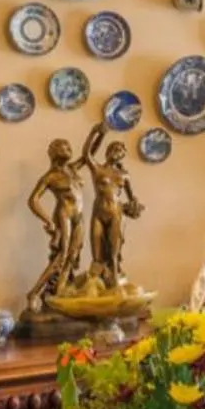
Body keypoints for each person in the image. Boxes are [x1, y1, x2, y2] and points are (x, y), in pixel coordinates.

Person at [24, 138, 85, 311]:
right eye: (63, 146)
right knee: (62, 256)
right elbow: (33, 200)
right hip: (64, 215)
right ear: (53, 152)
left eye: (69, 146)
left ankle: (60, 293)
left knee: (73, 256)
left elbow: (89, 153)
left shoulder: (73, 169)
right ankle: (34, 293)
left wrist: (99, 132)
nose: (68, 148)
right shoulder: (50, 177)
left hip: (79, 217)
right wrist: (48, 220)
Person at [82, 122, 143, 288]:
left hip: (116, 213)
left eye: (120, 152)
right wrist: (95, 131)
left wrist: (135, 205)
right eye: (114, 150)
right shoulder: (97, 169)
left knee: (114, 251)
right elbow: (86, 154)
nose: (117, 153)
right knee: (97, 253)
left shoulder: (124, 175)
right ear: (108, 152)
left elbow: (132, 198)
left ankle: (115, 280)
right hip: (98, 213)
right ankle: (95, 283)